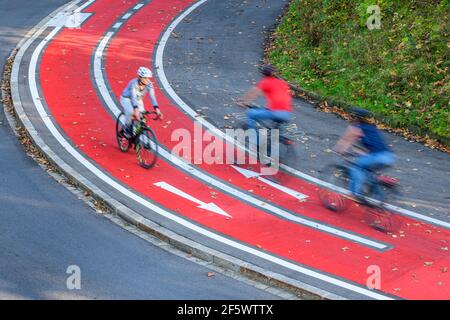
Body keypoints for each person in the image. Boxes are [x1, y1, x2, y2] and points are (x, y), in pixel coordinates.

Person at [334, 107, 396, 202]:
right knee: (368, 169)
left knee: (357, 167)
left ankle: (355, 194)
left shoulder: (357, 128)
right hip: (388, 157)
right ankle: (371, 189)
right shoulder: (371, 128)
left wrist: (340, 150)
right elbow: (372, 146)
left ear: (356, 117)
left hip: (379, 157)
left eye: (353, 116)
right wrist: (360, 152)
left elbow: (347, 141)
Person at [237, 64, 293, 131]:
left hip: (275, 112)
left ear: (263, 74)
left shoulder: (266, 82)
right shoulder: (282, 82)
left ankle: (253, 137)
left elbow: (253, 93)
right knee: (268, 114)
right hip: (287, 113)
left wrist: (244, 102)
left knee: (251, 113)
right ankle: (275, 135)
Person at [120, 66, 163, 138]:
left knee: (142, 116)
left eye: (148, 78)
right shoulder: (134, 83)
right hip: (126, 98)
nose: (147, 80)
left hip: (138, 99)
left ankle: (137, 131)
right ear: (140, 77)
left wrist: (157, 110)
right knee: (131, 112)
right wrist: (136, 110)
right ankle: (126, 128)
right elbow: (133, 97)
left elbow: (152, 97)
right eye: (145, 78)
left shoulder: (149, 84)